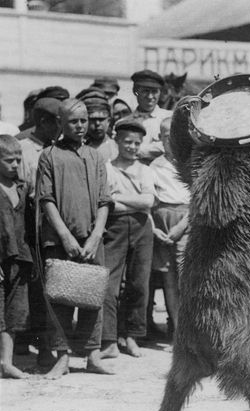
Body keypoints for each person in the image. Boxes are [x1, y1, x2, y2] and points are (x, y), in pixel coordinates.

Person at [36, 98, 113, 378]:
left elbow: (105, 200)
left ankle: (92, 355)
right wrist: (65, 236)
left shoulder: (96, 156)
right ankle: (63, 356)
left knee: (94, 295)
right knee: (59, 299)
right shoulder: (50, 156)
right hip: (60, 238)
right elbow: (46, 199)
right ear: (61, 123)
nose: (80, 126)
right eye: (73, 121)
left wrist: (95, 236)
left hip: (92, 237)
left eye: (84, 120)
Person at [101, 118, 157, 359]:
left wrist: (120, 197)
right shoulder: (106, 167)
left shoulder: (145, 170)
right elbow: (107, 205)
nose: (132, 147)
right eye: (127, 142)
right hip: (114, 228)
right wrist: (130, 202)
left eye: (137, 143)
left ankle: (132, 336)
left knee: (138, 283)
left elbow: (148, 202)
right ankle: (109, 340)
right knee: (109, 284)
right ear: (117, 140)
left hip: (142, 228)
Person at [149, 118, 189, 339]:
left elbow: (199, 198)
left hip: (188, 221)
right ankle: (177, 328)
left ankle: (193, 328)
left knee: (187, 275)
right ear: (160, 139)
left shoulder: (191, 162)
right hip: (163, 221)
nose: (171, 141)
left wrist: (182, 225)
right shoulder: (155, 166)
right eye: (166, 136)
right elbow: (151, 199)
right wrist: (156, 228)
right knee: (168, 278)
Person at [0, 135, 32, 379]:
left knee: (13, 311)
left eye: (17, 160)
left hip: (19, 256)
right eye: (8, 160)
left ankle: (6, 362)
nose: (14, 164)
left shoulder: (22, 187)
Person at [16, 97, 60, 194]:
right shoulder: (21, 150)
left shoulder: (58, 148)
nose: (62, 128)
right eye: (59, 122)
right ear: (43, 122)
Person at [130, 69, 172, 164]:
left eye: (154, 92)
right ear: (135, 91)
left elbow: (173, 146)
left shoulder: (170, 118)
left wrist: (136, 151)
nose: (150, 96)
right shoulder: (124, 122)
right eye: (145, 91)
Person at [82, 91, 118, 163]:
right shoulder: (79, 147)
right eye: (92, 119)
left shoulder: (116, 148)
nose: (97, 123)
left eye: (101, 119)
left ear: (108, 121)